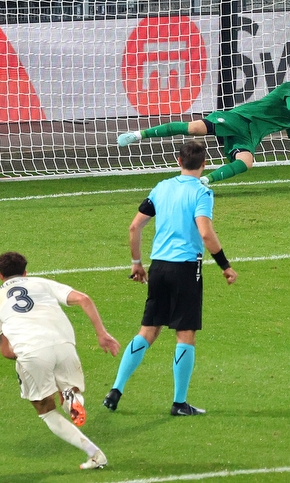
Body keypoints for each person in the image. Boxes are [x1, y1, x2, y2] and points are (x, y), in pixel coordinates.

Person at [104, 141, 237, 416]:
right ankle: (179, 403)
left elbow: (134, 226)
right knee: (185, 334)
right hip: (186, 269)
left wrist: (136, 262)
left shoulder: (161, 187)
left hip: (159, 268)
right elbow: (205, 233)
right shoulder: (202, 192)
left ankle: (116, 389)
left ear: (178, 161)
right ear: (203, 165)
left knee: (148, 330)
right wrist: (224, 265)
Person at [0, 251, 120, 470]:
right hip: (64, 345)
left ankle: (94, 453)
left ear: (0, 275)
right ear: (25, 273)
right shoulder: (41, 283)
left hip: (32, 351)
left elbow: (6, 350)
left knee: (46, 410)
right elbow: (83, 299)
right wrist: (102, 333)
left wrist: (27, 358)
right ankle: (72, 399)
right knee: (70, 392)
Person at [117, 64, 290, 184]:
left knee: (246, 162)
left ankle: (205, 181)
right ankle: (138, 135)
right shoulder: (288, 90)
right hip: (238, 119)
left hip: (248, 137)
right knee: (194, 128)